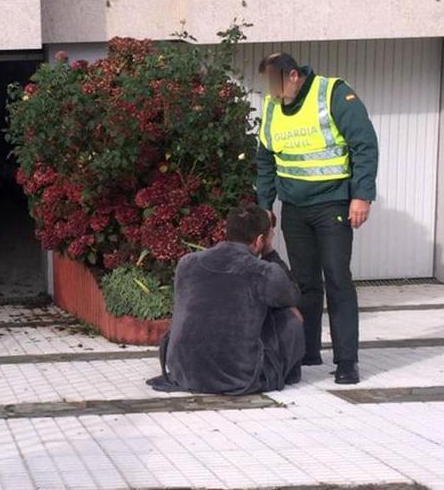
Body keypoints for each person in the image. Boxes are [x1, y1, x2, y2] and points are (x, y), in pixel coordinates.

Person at [255, 53, 379, 384]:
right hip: (294, 207)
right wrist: (265, 205)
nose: (272, 93)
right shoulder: (271, 106)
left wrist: (362, 195)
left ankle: (347, 362)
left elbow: (364, 144)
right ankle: (307, 351)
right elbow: (265, 158)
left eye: (276, 84)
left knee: (337, 279)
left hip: (332, 204)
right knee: (304, 283)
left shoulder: (333, 93)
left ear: (293, 75)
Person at [146, 203, 305, 395]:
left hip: (184, 372)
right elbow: (293, 295)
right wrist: (269, 252)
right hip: (239, 377)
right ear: (260, 239)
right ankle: (285, 374)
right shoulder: (263, 271)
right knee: (290, 314)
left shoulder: (187, 263)